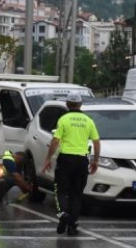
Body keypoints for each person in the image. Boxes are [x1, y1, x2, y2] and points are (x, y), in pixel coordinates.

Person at [42, 92, 101, 236]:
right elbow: (96, 142)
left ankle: (63, 214)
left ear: (67, 105)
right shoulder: (88, 120)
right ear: (80, 105)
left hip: (66, 159)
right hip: (82, 161)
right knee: (76, 194)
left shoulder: (64, 119)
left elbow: (55, 141)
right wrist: (95, 160)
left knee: (61, 190)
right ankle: (73, 225)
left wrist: (48, 158)